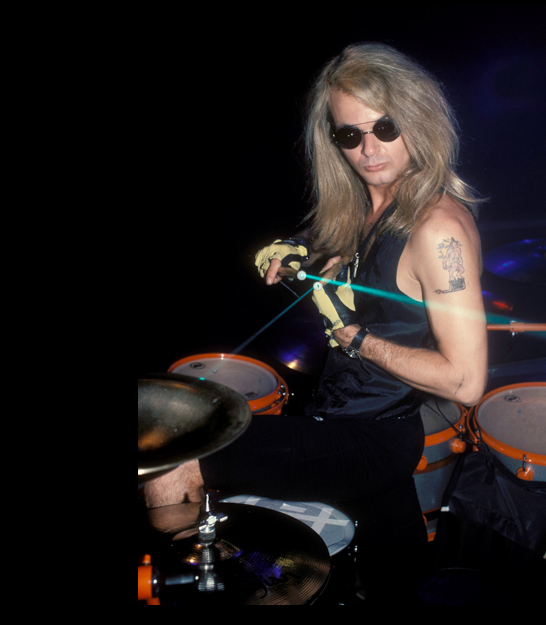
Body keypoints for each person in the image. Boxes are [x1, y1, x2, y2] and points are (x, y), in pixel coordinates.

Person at [143, 43, 488, 605]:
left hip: (371, 437)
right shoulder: (369, 203)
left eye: (385, 127)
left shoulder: (437, 230)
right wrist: (297, 247)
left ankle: (188, 589)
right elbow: (336, 245)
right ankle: (270, 575)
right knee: (395, 577)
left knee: (178, 456)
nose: (368, 150)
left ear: (418, 120)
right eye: (350, 135)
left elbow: (466, 381)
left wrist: (353, 336)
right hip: (344, 416)